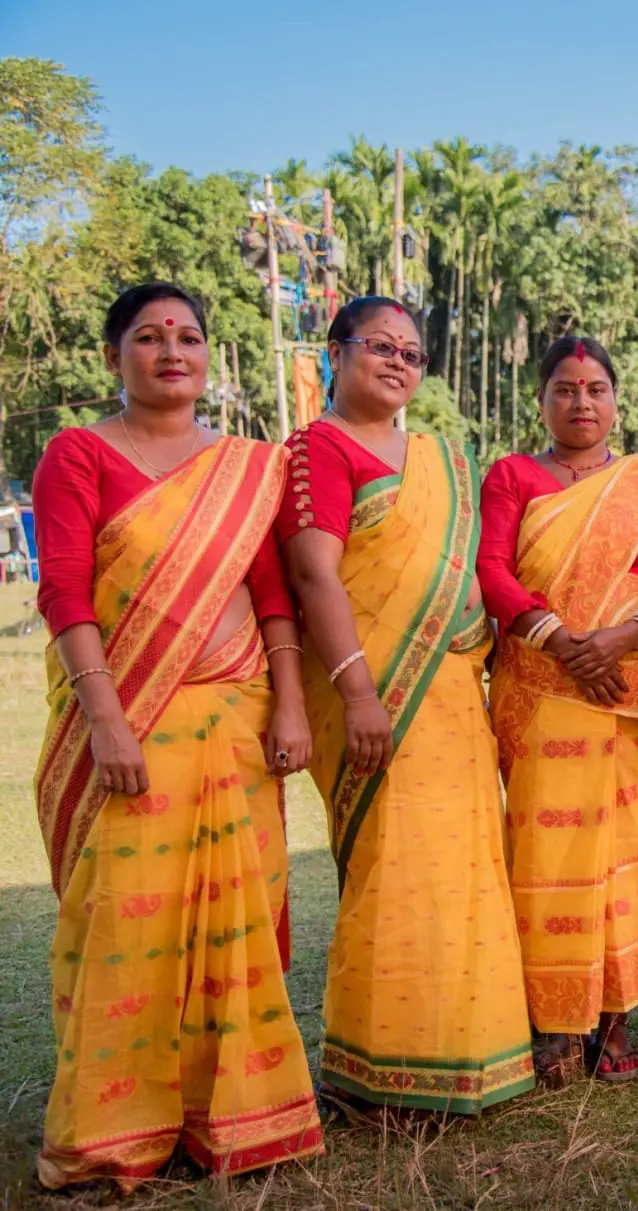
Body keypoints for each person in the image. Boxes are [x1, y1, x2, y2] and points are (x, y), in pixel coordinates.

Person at [31, 284, 321, 1189]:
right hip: (128, 728)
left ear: (209, 356)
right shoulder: (78, 455)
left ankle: (234, 1122)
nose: (171, 351)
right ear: (115, 354)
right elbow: (65, 594)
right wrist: (109, 719)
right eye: (149, 337)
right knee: (123, 925)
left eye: (188, 336)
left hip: (234, 720)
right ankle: (115, 1136)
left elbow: (274, 593)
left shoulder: (248, 466)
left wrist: (290, 702)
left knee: (239, 922)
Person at [280, 297, 534, 1112]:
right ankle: (376, 1070)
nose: (396, 360)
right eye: (378, 345)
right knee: (391, 869)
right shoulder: (316, 447)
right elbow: (315, 573)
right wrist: (357, 689)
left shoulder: (443, 457)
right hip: (376, 693)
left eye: (411, 352)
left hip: (455, 692)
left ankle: (469, 1051)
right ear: (335, 351)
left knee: (462, 866)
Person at [479, 335, 638, 1083]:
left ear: (616, 399)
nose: (581, 401)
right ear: (541, 399)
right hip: (542, 692)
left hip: (628, 694)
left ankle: (612, 1017)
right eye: (565, 388)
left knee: (631, 852)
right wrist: (559, 640)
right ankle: (553, 1021)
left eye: (595, 388)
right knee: (549, 856)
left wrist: (616, 637)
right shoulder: (513, 474)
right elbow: (492, 566)